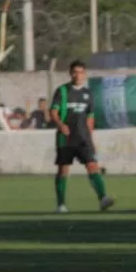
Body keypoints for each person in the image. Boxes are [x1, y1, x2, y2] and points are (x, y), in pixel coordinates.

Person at [49, 60, 114, 213]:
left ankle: (103, 198)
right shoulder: (62, 91)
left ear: (85, 74)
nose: (78, 75)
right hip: (66, 137)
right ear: (70, 73)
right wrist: (60, 125)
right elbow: (53, 112)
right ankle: (61, 205)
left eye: (81, 72)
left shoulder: (88, 93)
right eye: (75, 72)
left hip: (83, 138)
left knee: (92, 165)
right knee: (63, 170)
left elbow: (90, 117)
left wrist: (91, 138)